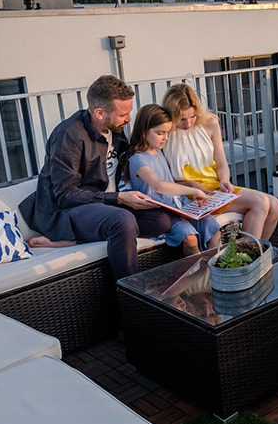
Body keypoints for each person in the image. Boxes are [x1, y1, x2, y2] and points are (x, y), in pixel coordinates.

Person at [20, 75, 172, 279]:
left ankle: (75, 240)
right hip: (66, 211)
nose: (129, 118)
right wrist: (118, 198)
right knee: (123, 221)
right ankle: (130, 294)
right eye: (123, 114)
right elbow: (65, 195)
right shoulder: (69, 135)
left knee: (161, 220)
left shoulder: (115, 130)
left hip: (104, 207)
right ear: (99, 113)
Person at [161, 83, 278, 239]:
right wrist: (191, 185)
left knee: (275, 205)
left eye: (192, 116)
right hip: (188, 197)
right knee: (260, 202)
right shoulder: (163, 133)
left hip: (214, 191)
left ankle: (255, 254)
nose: (188, 123)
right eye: (182, 119)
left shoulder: (210, 123)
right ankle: (246, 258)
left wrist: (224, 179)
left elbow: (222, 164)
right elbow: (162, 181)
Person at [121, 104, 223, 255]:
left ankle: (216, 267)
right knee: (190, 238)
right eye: (160, 133)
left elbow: (168, 182)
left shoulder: (157, 151)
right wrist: (192, 190)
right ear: (144, 132)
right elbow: (158, 186)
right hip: (162, 212)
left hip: (179, 205)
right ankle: (200, 273)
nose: (165, 138)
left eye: (167, 133)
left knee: (213, 228)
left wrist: (190, 183)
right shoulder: (138, 159)